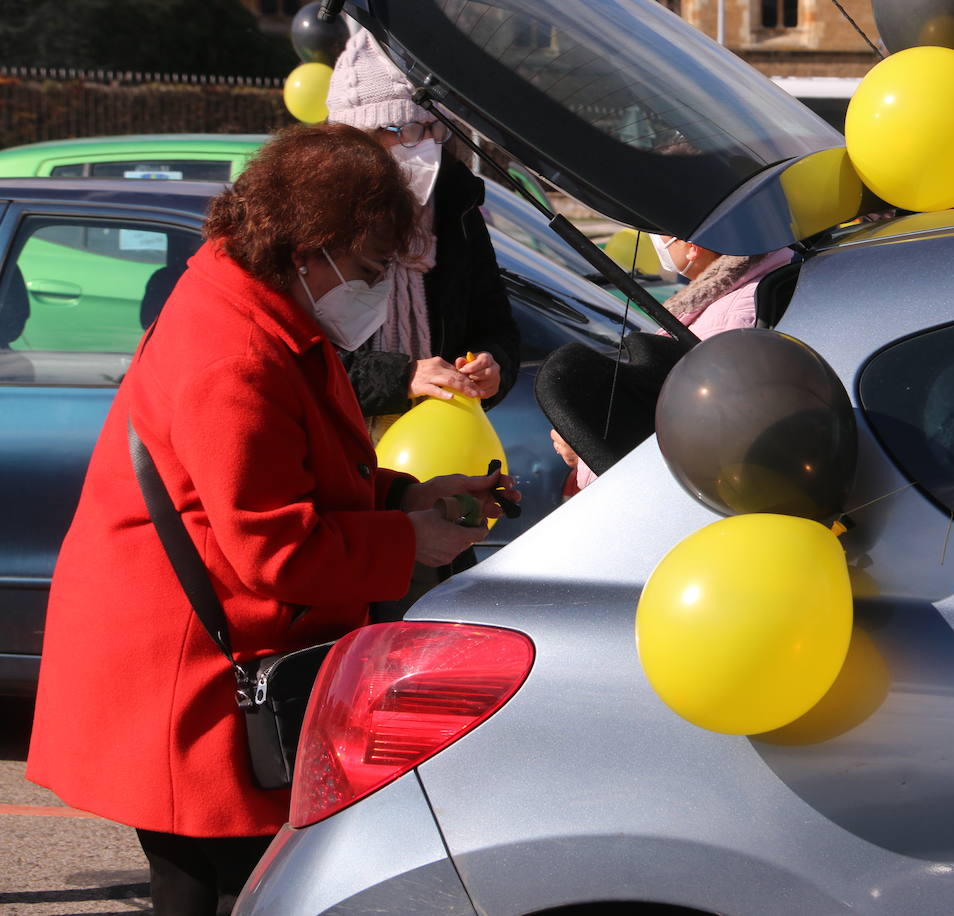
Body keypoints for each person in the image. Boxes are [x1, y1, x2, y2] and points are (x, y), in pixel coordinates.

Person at [25, 122, 517, 916]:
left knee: (223, 886)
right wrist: (410, 539)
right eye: (367, 267)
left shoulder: (260, 305)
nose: (379, 289)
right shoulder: (233, 349)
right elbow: (274, 546)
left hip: (201, 644)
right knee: (219, 888)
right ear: (306, 247)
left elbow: (295, 472)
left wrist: (405, 496)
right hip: (186, 664)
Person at [325, 30, 519, 439]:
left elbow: (495, 321)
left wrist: (492, 364)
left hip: (437, 441)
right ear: (359, 136)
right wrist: (402, 377)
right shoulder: (318, 223)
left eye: (437, 131)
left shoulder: (456, 206)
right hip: (340, 447)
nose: (428, 146)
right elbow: (295, 362)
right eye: (409, 130)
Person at [549, 235, 793, 489]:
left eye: (659, 231)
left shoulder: (724, 321)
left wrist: (581, 445)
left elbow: (681, 430)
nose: (654, 239)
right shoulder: (762, 280)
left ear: (692, 248)